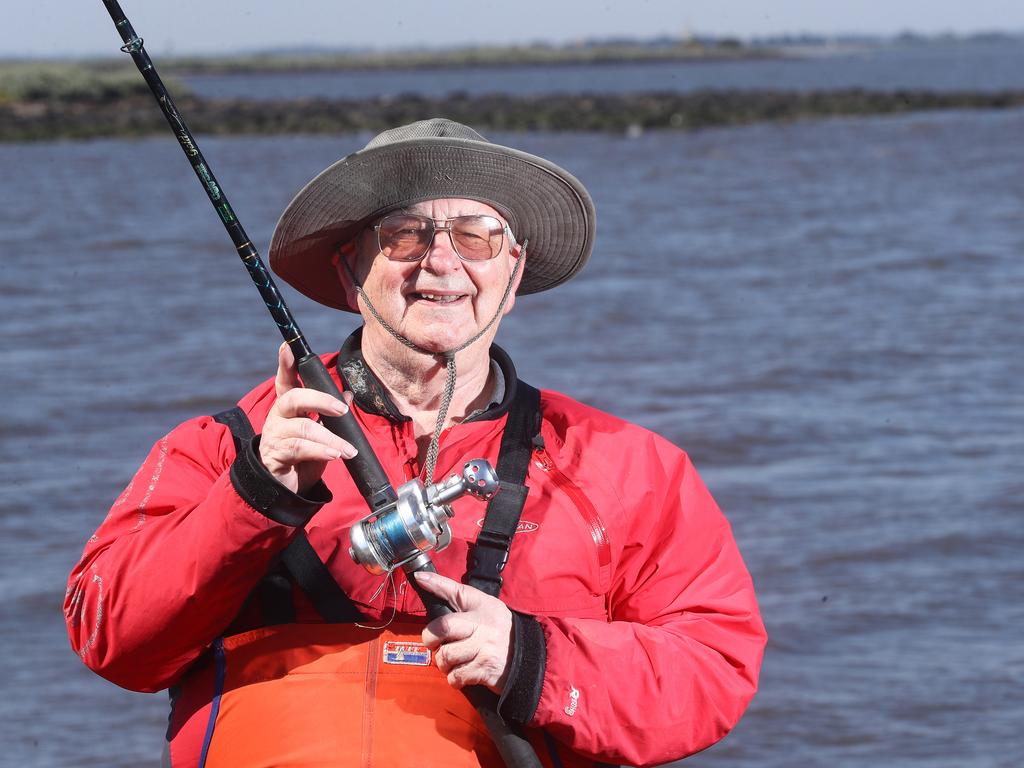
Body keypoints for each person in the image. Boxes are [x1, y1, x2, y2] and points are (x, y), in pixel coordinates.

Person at [65, 119, 766, 768]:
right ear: (350, 270)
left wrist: (532, 655)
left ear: (513, 271)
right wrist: (256, 493)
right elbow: (111, 640)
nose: (441, 262)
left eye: (477, 235)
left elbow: (713, 668)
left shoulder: (631, 465)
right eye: (403, 235)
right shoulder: (221, 446)